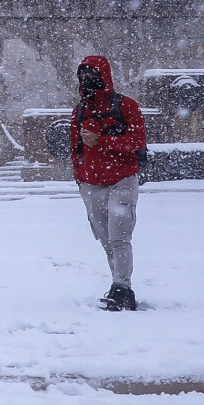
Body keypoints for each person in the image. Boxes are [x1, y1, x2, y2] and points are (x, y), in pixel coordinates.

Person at [69, 54, 147, 311]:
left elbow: (137, 142)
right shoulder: (79, 111)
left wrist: (102, 141)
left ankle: (123, 288)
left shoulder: (126, 107)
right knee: (106, 240)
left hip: (121, 180)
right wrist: (80, 180)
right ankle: (118, 284)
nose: (88, 82)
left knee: (119, 236)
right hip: (91, 185)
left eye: (93, 76)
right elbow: (76, 149)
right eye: (84, 77)